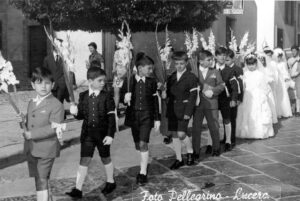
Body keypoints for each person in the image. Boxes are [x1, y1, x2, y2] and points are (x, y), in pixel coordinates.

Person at [66, 67, 116, 198]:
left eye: (103, 81)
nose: (103, 83)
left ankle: (111, 181)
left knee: (105, 157)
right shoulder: (83, 96)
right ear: (90, 81)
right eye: (99, 80)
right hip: (87, 134)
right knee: (84, 159)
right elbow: (81, 115)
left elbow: (111, 117)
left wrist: (110, 134)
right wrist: (75, 112)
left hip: (103, 134)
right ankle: (78, 189)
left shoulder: (107, 96)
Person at [17, 67, 64, 201]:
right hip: (32, 148)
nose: (43, 86)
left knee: (42, 179)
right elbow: (30, 123)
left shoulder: (56, 105)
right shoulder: (32, 102)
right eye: (39, 82)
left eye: (47, 83)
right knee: (39, 178)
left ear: (53, 85)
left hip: (46, 149)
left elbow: (54, 128)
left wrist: (31, 134)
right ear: (33, 85)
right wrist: (23, 120)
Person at [120, 52, 160, 185]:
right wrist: (124, 99)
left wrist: (157, 118)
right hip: (134, 117)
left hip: (147, 116)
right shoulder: (129, 80)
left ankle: (143, 172)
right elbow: (121, 98)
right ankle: (142, 161)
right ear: (140, 68)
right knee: (138, 144)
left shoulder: (152, 81)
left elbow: (155, 100)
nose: (151, 71)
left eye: (152, 69)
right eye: (149, 68)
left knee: (143, 143)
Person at [164, 51, 198, 169]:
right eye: (177, 63)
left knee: (182, 134)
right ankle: (178, 158)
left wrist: (188, 113)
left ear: (186, 63)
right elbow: (168, 93)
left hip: (184, 109)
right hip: (172, 109)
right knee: (174, 134)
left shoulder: (191, 77)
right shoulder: (171, 77)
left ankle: (190, 152)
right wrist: (163, 93)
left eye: (182, 63)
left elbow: (193, 97)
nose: (179, 66)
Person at [192, 50, 224, 160]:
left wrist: (213, 91)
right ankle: (195, 151)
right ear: (200, 61)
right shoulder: (194, 72)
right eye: (208, 60)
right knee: (196, 128)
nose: (211, 61)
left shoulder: (215, 71)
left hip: (211, 103)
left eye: (211, 59)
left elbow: (221, 85)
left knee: (214, 127)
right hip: (198, 104)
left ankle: (216, 148)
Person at [236, 53, 274, 139]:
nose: (251, 66)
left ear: (256, 64)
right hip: (247, 95)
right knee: (247, 112)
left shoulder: (260, 74)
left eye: (253, 64)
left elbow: (264, 86)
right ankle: (247, 132)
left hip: (257, 95)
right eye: (249, 64)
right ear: (246, 64)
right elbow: (244, 85)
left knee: (257, 112)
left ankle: (258, 132)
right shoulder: (245, 74)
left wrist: (263, 96)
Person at [214, 47, 239, 152]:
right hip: (213, 99)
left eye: (224, 55)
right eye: (220, 55)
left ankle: (228, 141)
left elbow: (234, 87)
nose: (222, 57)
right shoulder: (211, 69)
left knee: (227, 120)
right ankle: (213, 143)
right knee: (213, 121)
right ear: (215, 56)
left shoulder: (229, 70)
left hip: (225, 99)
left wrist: (233, 99)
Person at [225, 49, 243, 148]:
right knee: (226, 118)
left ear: (233, 59)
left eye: (227, 60)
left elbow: (241, 85)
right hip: (225, 98)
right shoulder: (223, 69)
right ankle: (226, 137)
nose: (225, 62)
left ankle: (232, 139)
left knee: (232, 118)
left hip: (233, 97)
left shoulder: (238, 69)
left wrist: (238, 98)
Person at [273, 48, 293, 118]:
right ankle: (278, 112)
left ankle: (285, 112)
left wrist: (286, 78)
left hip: (281, 81)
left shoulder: (283, 64)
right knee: (277, 96)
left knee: (283, 95)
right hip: (276, 81)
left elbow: (285, 72)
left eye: (280, 57)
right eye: (278, 57)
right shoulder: (273, 64)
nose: (279, 58)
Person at [288, 45, 300, 116]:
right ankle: (293, 110)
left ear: (297, 51)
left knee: (299, 94)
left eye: (294, 51)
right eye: (292, 51)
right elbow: (288, 69)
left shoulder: (299, 59)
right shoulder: (289, 60)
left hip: (298, 77)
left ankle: (298, 110)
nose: (293, 52)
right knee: (292, 94)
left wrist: (296, 74)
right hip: (291, 78)